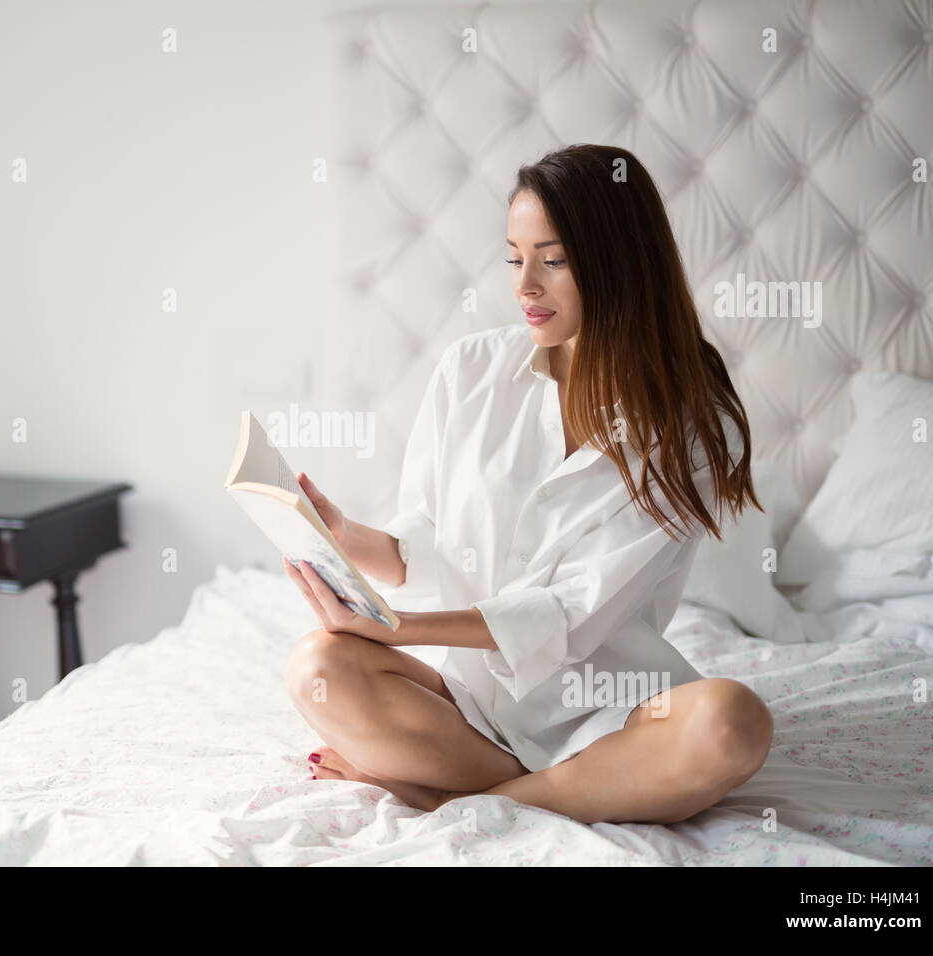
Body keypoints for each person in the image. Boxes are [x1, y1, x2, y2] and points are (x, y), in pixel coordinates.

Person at [282, 143, 771, 824]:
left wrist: (399, 630)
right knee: (318, 668)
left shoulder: (694, 423)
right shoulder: (469, 371)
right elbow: (424, 542)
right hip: (473, 711)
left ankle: (456, 798)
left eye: (554, 259)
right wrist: (343, 536)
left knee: (733, 722)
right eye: (515, 258)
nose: (525, 286)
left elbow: (571, 612)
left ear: (621, 261)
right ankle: (564, 790)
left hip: (616, 712)